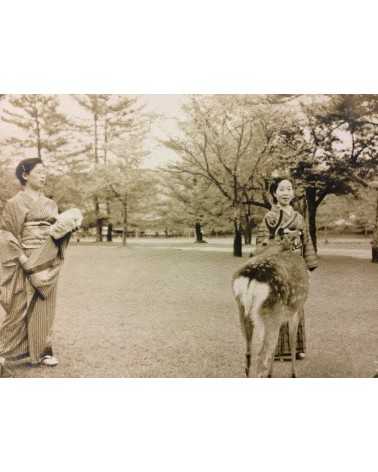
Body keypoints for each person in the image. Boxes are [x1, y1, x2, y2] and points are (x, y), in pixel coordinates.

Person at [0, 158, 81, 375]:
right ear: (25, 175)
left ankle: (44, 350)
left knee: (45, 307)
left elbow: (55, 232)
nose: (44, 175)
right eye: (39, 171)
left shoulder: (50, 204)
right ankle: (4, 352)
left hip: (48, 258)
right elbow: (8, 235)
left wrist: (69, 227)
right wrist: (25, 262)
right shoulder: (14, 203)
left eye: (46, 171)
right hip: (25, 258)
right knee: (18, 308)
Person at [256, 177, 318, 360]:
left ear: (293, 193)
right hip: (278, 266)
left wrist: (308, 266)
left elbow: (306, 241)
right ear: (274, 193)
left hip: (296, 267)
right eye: (281, 189)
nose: (285, 193)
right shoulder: (270, 217)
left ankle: (296, 347)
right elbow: (262, 243)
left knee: (296, 305)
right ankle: (274, 349)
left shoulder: (299, 217)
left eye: (289, 189)